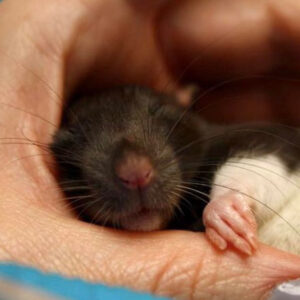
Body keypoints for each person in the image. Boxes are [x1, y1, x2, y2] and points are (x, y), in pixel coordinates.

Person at [0, 0, 299, 299]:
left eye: (156, 118)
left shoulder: (223, 148)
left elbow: (277, 154)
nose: (135, 173)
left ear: (184, 107)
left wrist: (235, 194)